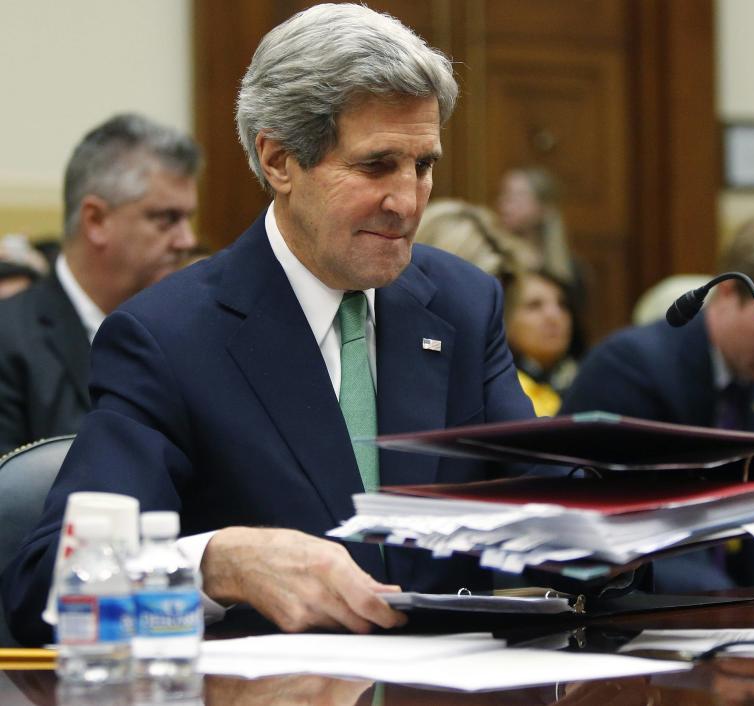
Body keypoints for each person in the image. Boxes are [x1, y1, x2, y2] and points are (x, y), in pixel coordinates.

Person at [2, 4, 537, 645]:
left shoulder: (461, 303)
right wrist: (220, 566)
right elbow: (50, 595)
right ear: (279, 160)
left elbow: (543, 506)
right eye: (376, 166)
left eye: (423, 165)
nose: (407, 201)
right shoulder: (169, 337)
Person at [561, 219, 754, 591]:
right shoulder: (632, 367)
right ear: (728, 293)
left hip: (719, 597)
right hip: (632, 594)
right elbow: (631, 530)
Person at [0, 114, 199, 455]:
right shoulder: (9, 338)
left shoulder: (195, 333)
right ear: (96, 221)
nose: (187, 240)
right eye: (167, 219)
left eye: (188, 219)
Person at [505, 270, 582, 416]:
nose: (554, 316)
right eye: (534, 306)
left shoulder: (586, 379)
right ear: (505, 321)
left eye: (562, 305)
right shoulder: (499, 389)